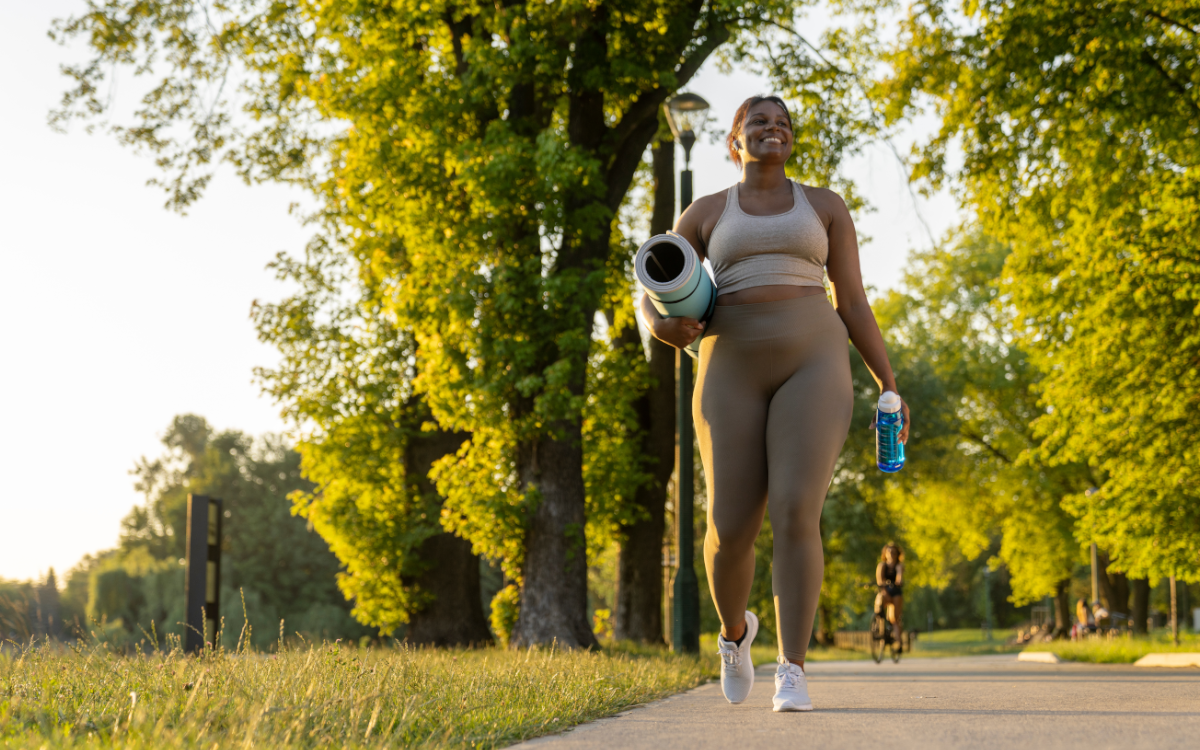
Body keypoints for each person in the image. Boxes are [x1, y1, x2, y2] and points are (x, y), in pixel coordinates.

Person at [640, 95, 910, 712]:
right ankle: (735, 636)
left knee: (795, 511)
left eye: (783, 122)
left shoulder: (825, 206)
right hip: (728, 361)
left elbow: (853, 301)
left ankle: (792, 667)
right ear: (735, 140)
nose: (773, 128)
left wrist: (888, 383)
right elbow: (654, 282)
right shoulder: (707, 211)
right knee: (729, 525)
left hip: (814, 359)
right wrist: (660, 326)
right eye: (758, 121)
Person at [875, 542, 905, 648]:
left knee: (895, 619)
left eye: (894, 552)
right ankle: (879, 628)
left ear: (897, 554)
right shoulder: (882, 566)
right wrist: (884, 592)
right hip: (885, 591)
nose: (891, 554)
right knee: (879, 606)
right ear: (885, 554)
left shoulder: (899, 566)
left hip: (896, 592)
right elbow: (880, 580)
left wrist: (899, 581)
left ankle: (899, 643)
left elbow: (899, 575)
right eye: (889, 552)